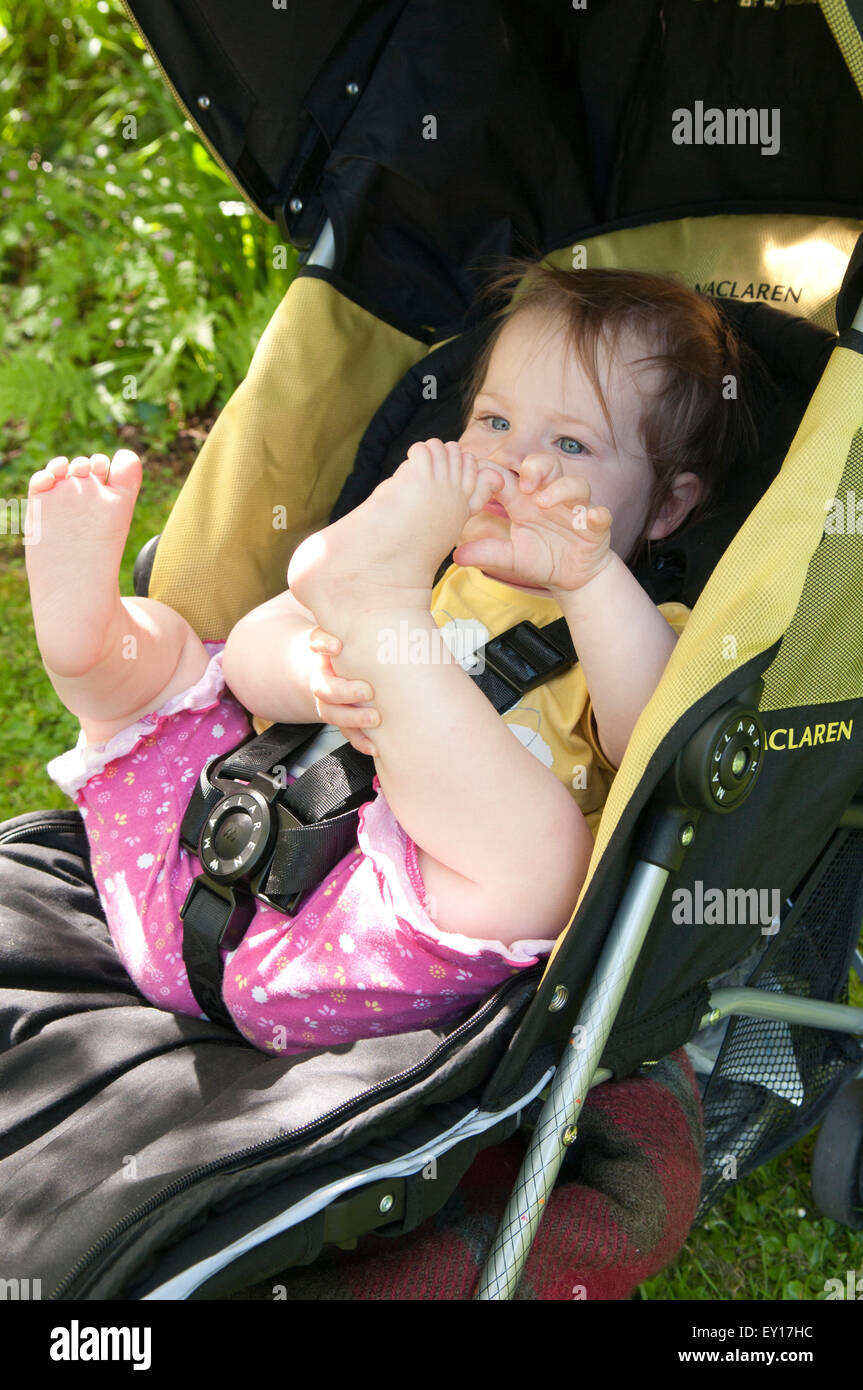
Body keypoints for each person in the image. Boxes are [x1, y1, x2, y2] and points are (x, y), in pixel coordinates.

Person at [26, 264, 751, 1054]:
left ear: (667, 505)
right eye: (494, 422)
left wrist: (588, 577)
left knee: (545, 866)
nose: (514, 462)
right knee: (177, 652)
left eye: (570, 443)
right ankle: (92, 646)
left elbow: (649, 745)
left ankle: (355, 630)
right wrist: (310, 670)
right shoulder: (425, 567)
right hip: (190, 853)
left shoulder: (638, 625)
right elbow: (249, 660)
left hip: (368, 941)